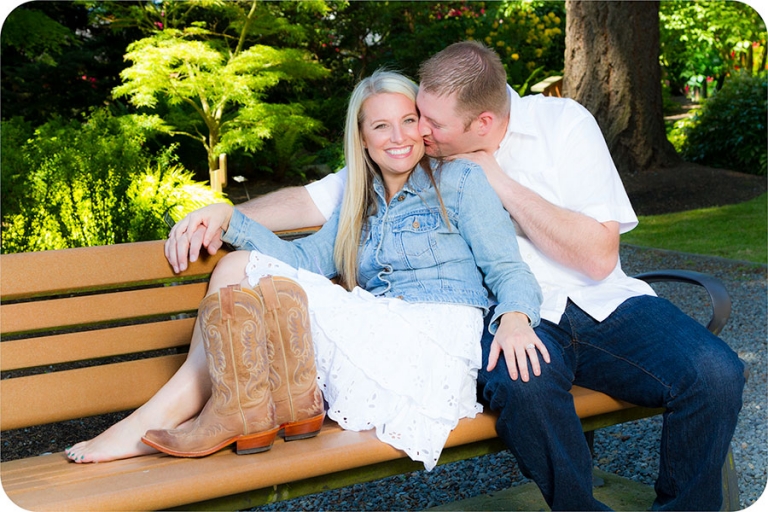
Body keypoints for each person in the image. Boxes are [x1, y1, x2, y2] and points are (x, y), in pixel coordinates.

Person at [165, 41, 746, 511]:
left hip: (602, 303)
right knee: (526, 391)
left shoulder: (562, 124)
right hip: (504, 312)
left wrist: (495, 179)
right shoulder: (415, 152)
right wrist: (226, 214)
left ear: (483, 122)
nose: (418, 132)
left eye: (431, 124)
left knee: (715, 372)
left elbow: (597, 257)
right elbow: (321, 202)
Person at [67, 69, 544, 471]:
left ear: (424, 125)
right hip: (384, 333)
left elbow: (507, 269)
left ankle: (171, 417)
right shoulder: (359, 200)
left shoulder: (460, 181)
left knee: (240, 268)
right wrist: (229, 216)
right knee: (241, 264)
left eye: (408, 120)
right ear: (361, 137)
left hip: (436, 343)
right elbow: (302, 263)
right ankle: (227, 409)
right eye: (380, 126)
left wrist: (517, 318)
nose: (397, 137)